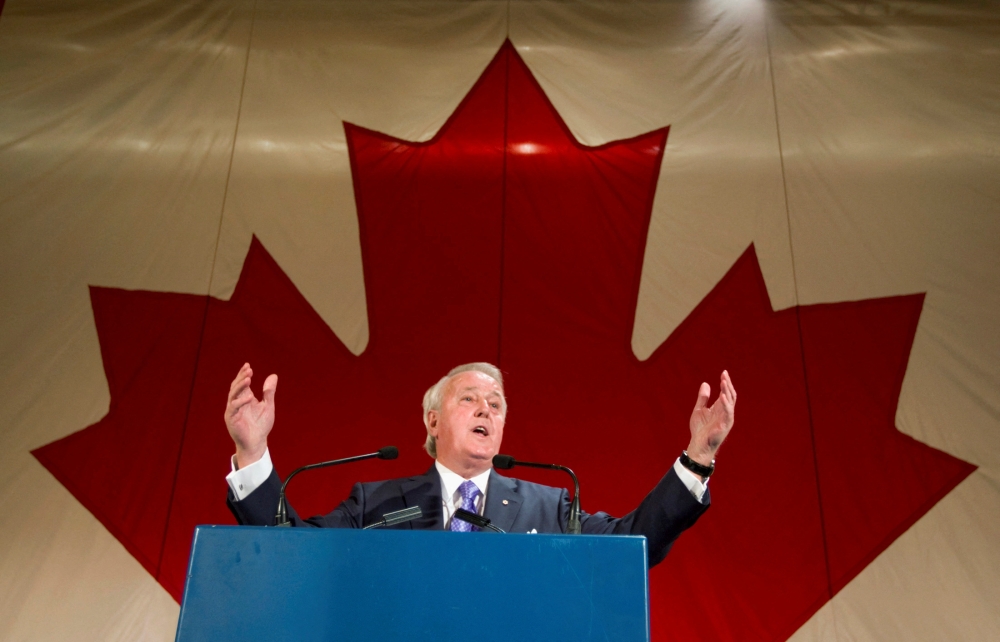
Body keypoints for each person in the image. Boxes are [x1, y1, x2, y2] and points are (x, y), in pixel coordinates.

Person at [224, 362, 736, 567]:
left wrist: (699, 456)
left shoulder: (553, 505)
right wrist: (252, 452)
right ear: (431, 422)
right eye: (469, 399)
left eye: (496, 405)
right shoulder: (374, 503)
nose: (486, 410)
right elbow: (288, 553)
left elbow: (634, 546)